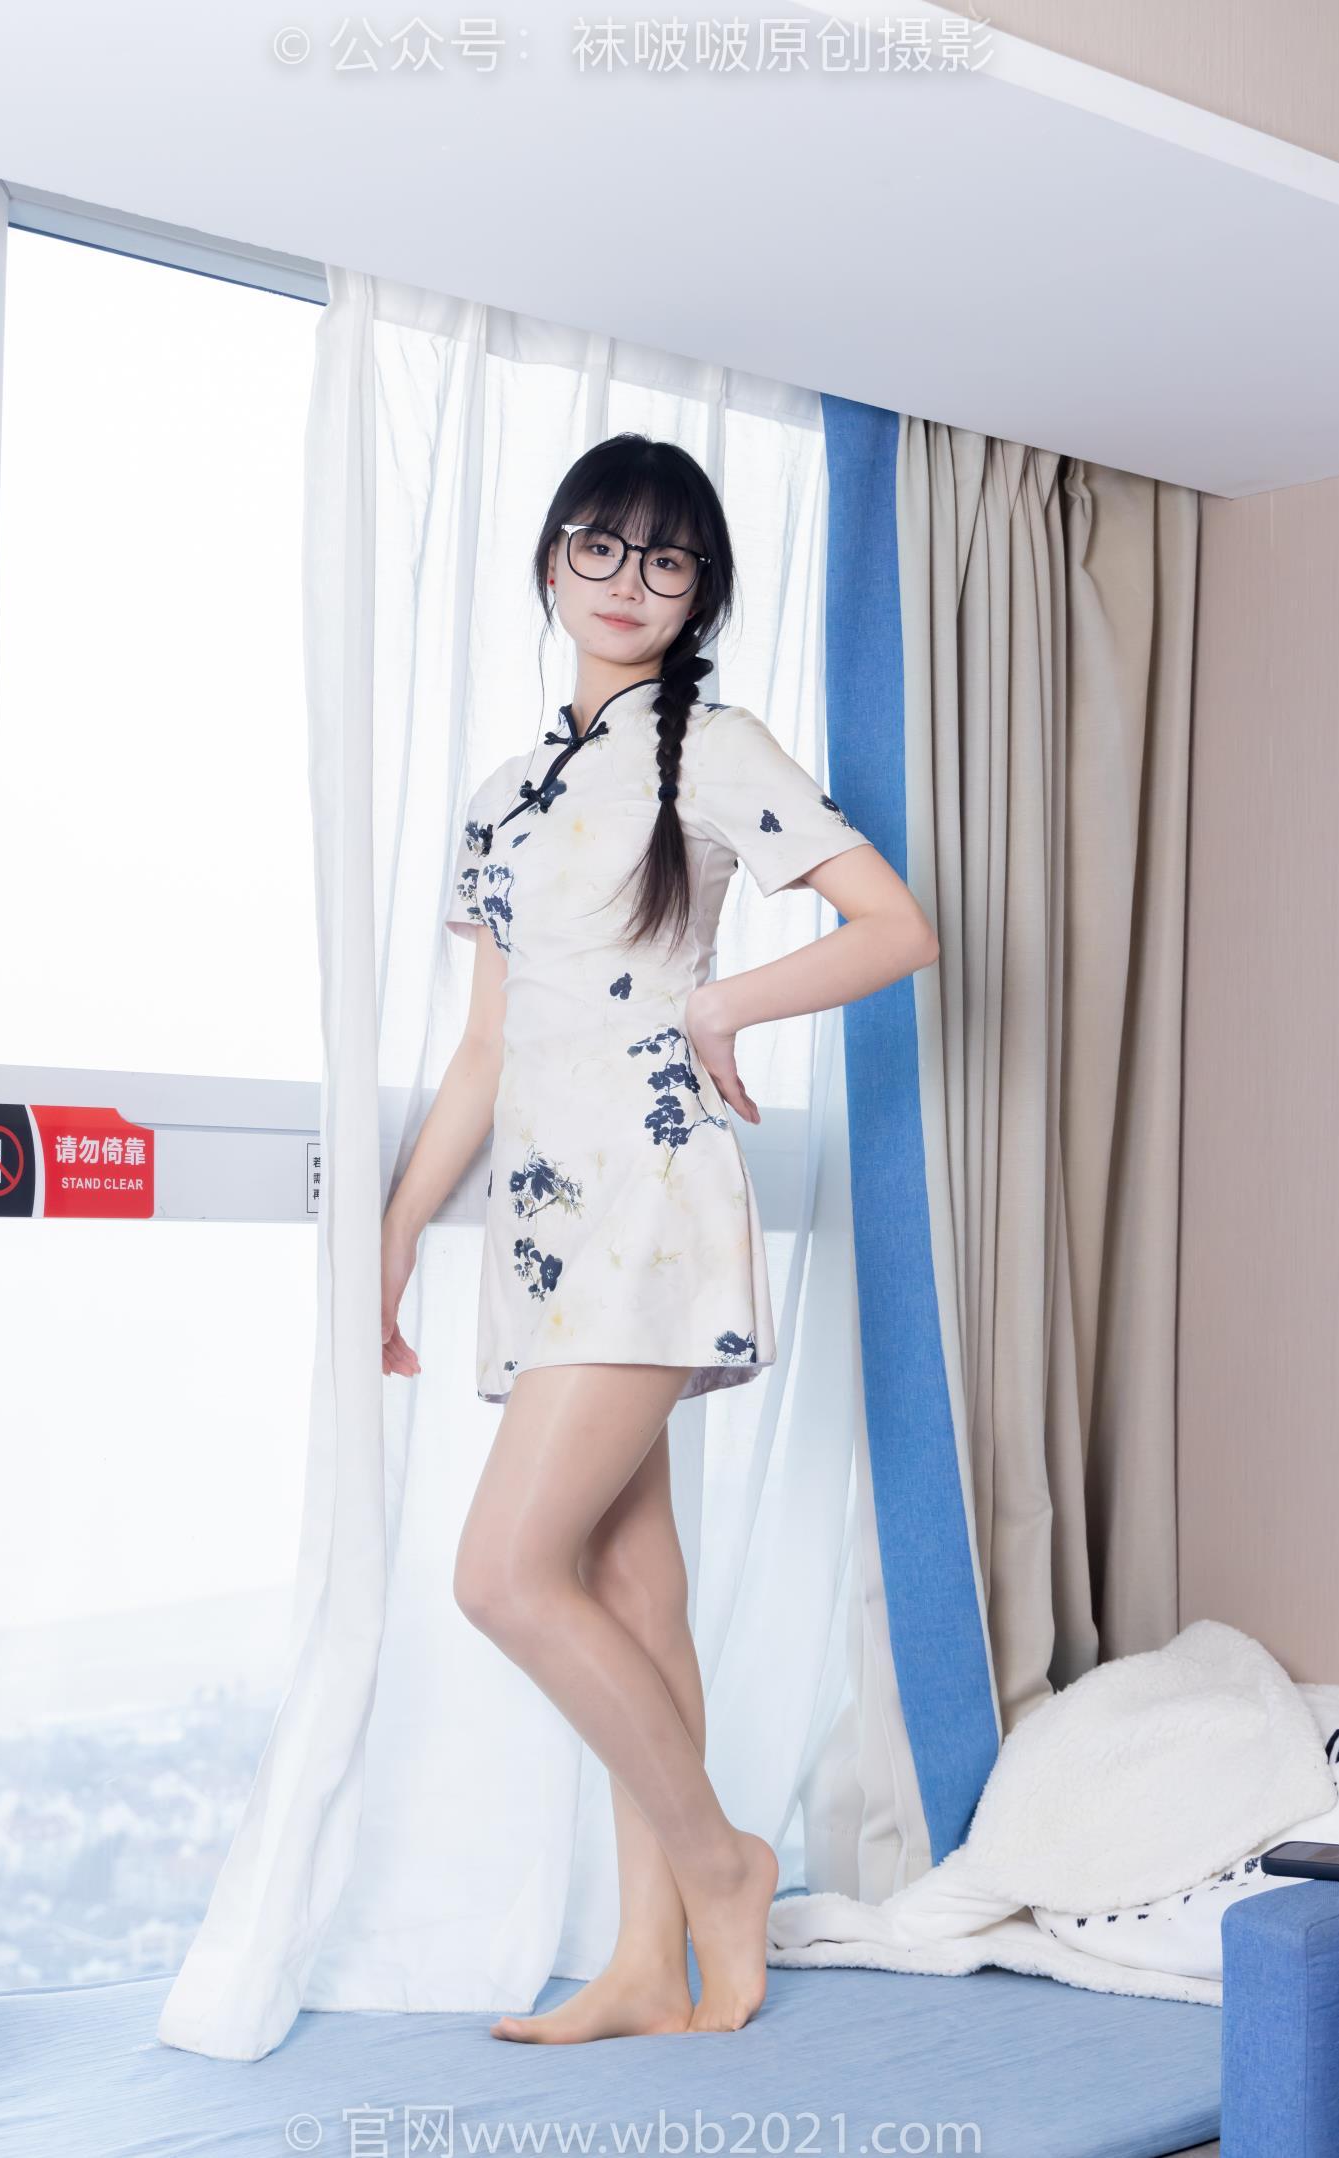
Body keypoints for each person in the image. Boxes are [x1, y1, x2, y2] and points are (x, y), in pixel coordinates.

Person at [378, 434, 939, 2043]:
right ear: (552, 561)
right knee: (628, 1580)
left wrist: (723, 1002)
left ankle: (720, 1861)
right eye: (600, 546)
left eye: (667, 560)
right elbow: (486, 1055)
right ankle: (648, 1958)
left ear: (702, 595)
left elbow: (898, 926)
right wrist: (398, 1238)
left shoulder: (715, 748)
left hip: (654, 1195)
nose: (629, 582)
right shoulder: (502, 798)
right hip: (544, 1221)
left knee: (505, 1571)